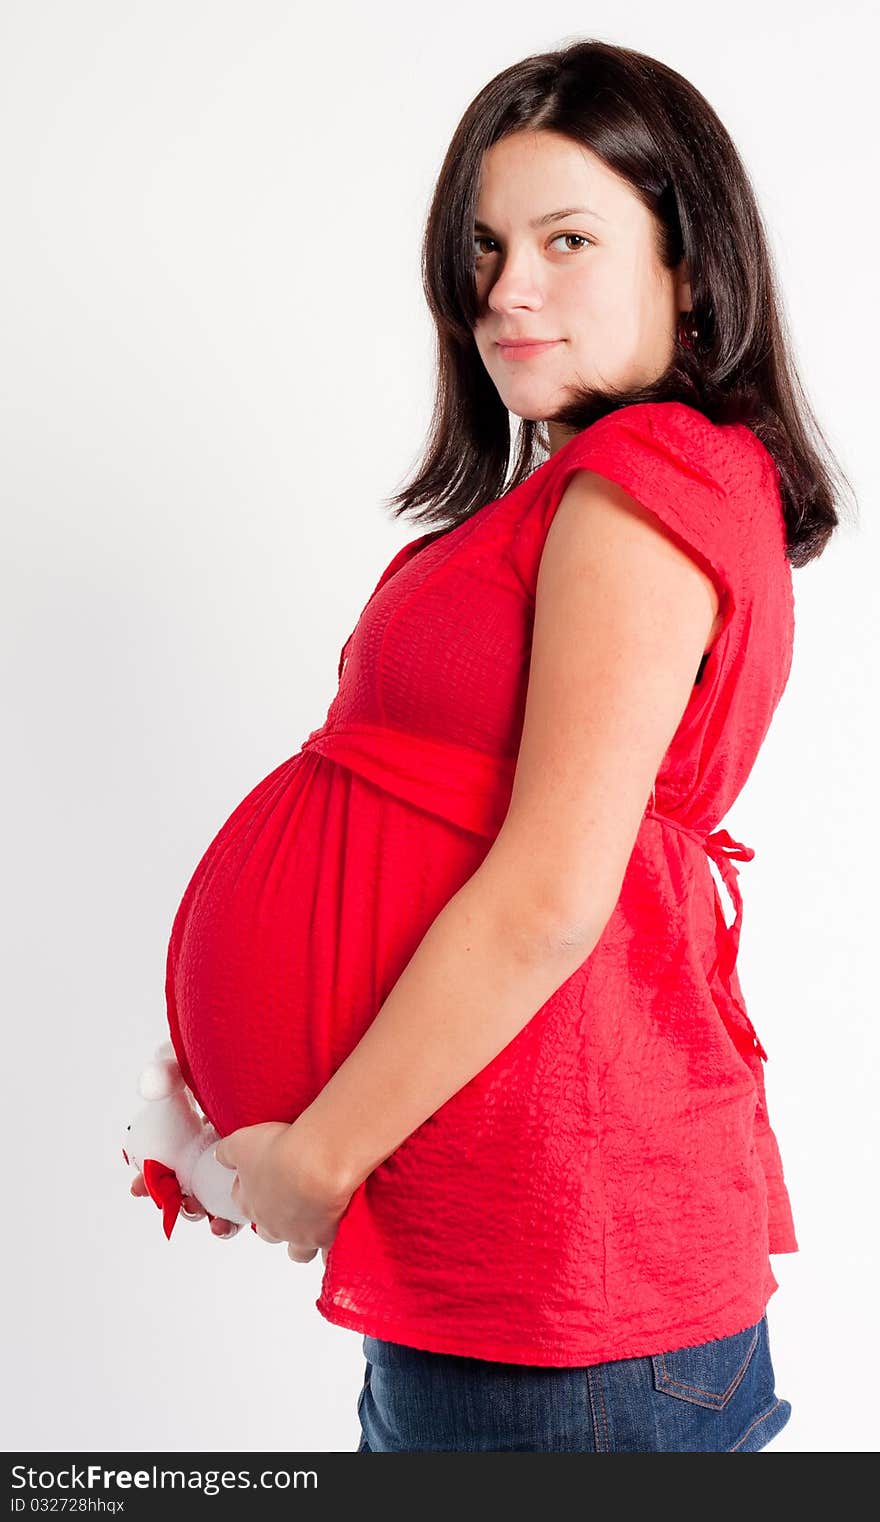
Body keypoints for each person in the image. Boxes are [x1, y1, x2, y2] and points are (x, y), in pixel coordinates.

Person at [132, 39, 852, 1451]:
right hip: (515, 1265)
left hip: (565, 1285)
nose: (505, 288)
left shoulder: (643, 488)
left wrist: (321, 1153)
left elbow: (547, 895)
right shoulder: (591, 488)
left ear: (691, 269)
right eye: (485, 245)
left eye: (567, 240)